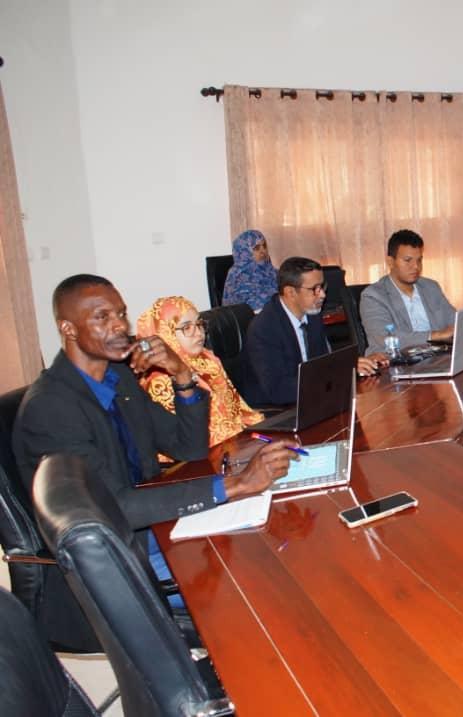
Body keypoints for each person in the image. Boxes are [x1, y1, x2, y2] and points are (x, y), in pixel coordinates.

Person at [13, 274, 295, 606]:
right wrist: (235, 485)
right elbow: (113, 507)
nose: (119, 326)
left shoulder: (119, 379)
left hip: (155, 526)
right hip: (122, 556)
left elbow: (188, 448)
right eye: (102, 317)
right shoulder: (50, 408)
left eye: (121, 314)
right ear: (68, 329)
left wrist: (182, 375)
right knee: (259, 578)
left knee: (277, 539)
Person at [245, 257, 387, 406]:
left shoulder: (312, 314)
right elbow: (279, 390)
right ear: (290, 292)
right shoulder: (264, 328)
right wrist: (341, 372)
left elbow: (324, 364)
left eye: (322, 286)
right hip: (277, 409)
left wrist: (351, 365)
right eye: (315, 289)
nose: (322, 295)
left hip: (312, 397)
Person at [136, 295, 264, 447]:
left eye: (199, 324)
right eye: (187, 328)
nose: (199, 333)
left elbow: (238, 411)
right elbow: (186, 441)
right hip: (201, 454)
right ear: (166, 333)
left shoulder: (207, 359)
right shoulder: (160, 380)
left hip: (235, 441)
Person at [360, 229, 457, 355]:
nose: (416, 266)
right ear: (390, 262)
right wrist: (435, 335)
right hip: (396, 360)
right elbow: (387, 338)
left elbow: (455, 320)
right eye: (407, 260)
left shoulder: (431, 287)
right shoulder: (373, 296)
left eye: (419, 260)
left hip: (437, 356)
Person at [222, 229, 277, 311]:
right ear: (245, 251)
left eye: (264, 246)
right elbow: (251, 305)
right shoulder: (238, 274)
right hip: (249, 317)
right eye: (257, 248)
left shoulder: (268, 269)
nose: (263, 251)